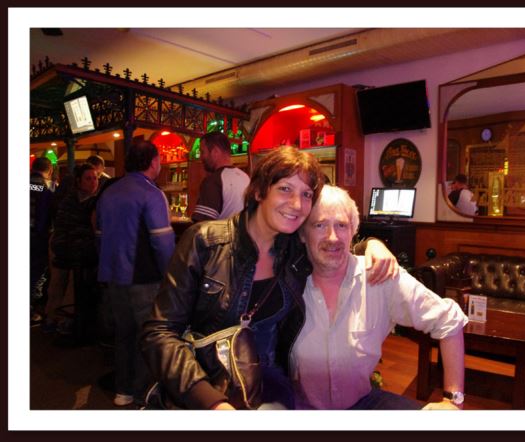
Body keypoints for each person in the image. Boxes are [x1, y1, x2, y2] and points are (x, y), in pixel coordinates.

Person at [140, 146, 398, 410]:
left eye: (306, 194)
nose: (297, 204)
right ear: (259, 191)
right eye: (285, 189)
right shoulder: (205, 242)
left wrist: (372, 245)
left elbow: (331, 249)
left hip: (271, 389)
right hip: (204, 387)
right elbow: (159, 333)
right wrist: (212, 403)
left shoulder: (295, 251)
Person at [292, 185, 467, 410]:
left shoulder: (379, 277)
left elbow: (449, 320)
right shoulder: (288, 284)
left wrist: (453, 400)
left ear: (353, 231)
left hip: (362, 403)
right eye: (319, 225)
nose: (332, 237)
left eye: (341, 225)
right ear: (302, 234)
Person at [96, 140, 175, 407]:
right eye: (159, 159)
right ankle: (144, 395)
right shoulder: (151, 193)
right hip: (145, 280)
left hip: (114, 278)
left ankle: (123, 391)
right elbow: (162, 242)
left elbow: (99, 235)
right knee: (148, 337)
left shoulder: (109, 192)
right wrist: (171, 275)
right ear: (153, 162)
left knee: (123, 335)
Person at [45, 164, 100, 343]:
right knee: (71, 288)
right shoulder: (93, 203)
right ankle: (65, 323)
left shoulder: (67, 199)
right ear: (78, 181)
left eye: (95, 178)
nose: (93, 182)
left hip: (58, 246)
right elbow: (95, 229)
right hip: (75, 251)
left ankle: (51, 319)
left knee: (57, 285)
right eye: (88, 178)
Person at [191, 132, 249, 222]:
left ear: (215, 152)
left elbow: (202, 225)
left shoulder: (213, 181)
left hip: (222, 232)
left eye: (202, 152)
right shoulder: (245, 177)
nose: (201, 157)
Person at [30, 157, 55, 323]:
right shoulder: (46, 187)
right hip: (35, 236)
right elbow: (44, 216)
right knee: (36, 273)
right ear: (50, 170)